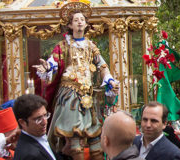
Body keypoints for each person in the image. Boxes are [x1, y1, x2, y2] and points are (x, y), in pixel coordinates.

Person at [32, 2, 118, 159]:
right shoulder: (63, 45)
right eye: (76, 20)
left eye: (82, 19)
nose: (79, 22)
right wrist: (48, 68)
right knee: (75, 138)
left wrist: (109, 79)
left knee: (95, 139)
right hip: (70, 94)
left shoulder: (91, 46)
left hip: (88, 95)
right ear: (70, 25)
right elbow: (53, 61)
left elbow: (102, 64)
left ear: (86, 24)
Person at [13, 94, 68, 160]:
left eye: (45, 115)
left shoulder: (37, 137)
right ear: (22, 123)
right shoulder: (30, 155)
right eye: (38, 119)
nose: (45, 122)